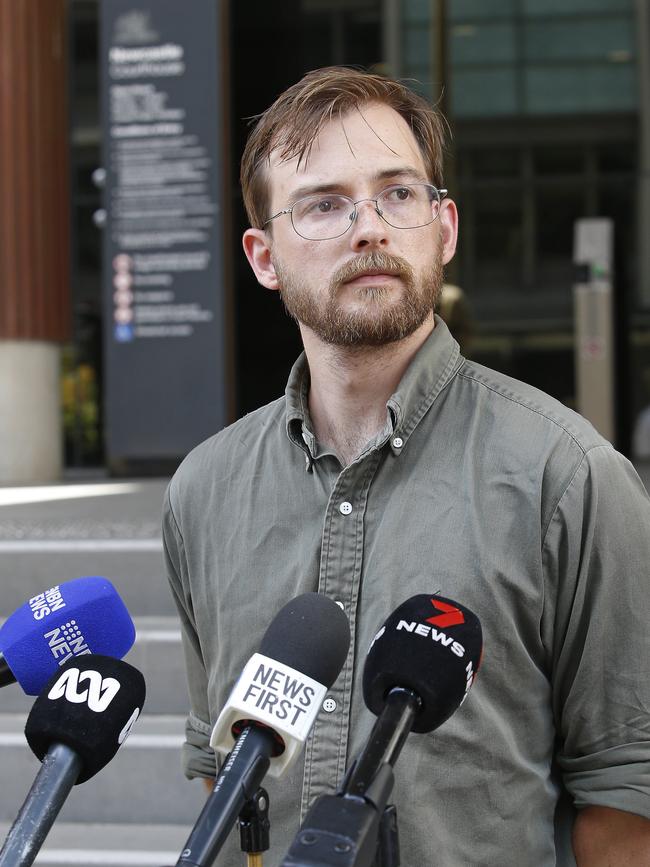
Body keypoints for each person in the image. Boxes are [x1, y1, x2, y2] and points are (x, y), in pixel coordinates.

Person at [163, 66, 650, 866]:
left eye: (398, 194)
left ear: (444, 228)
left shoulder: (569, 477)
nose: (370, 229)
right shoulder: (203, 492)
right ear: (263, 257)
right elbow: (219, 777)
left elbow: (625, 794)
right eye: (323, 204)